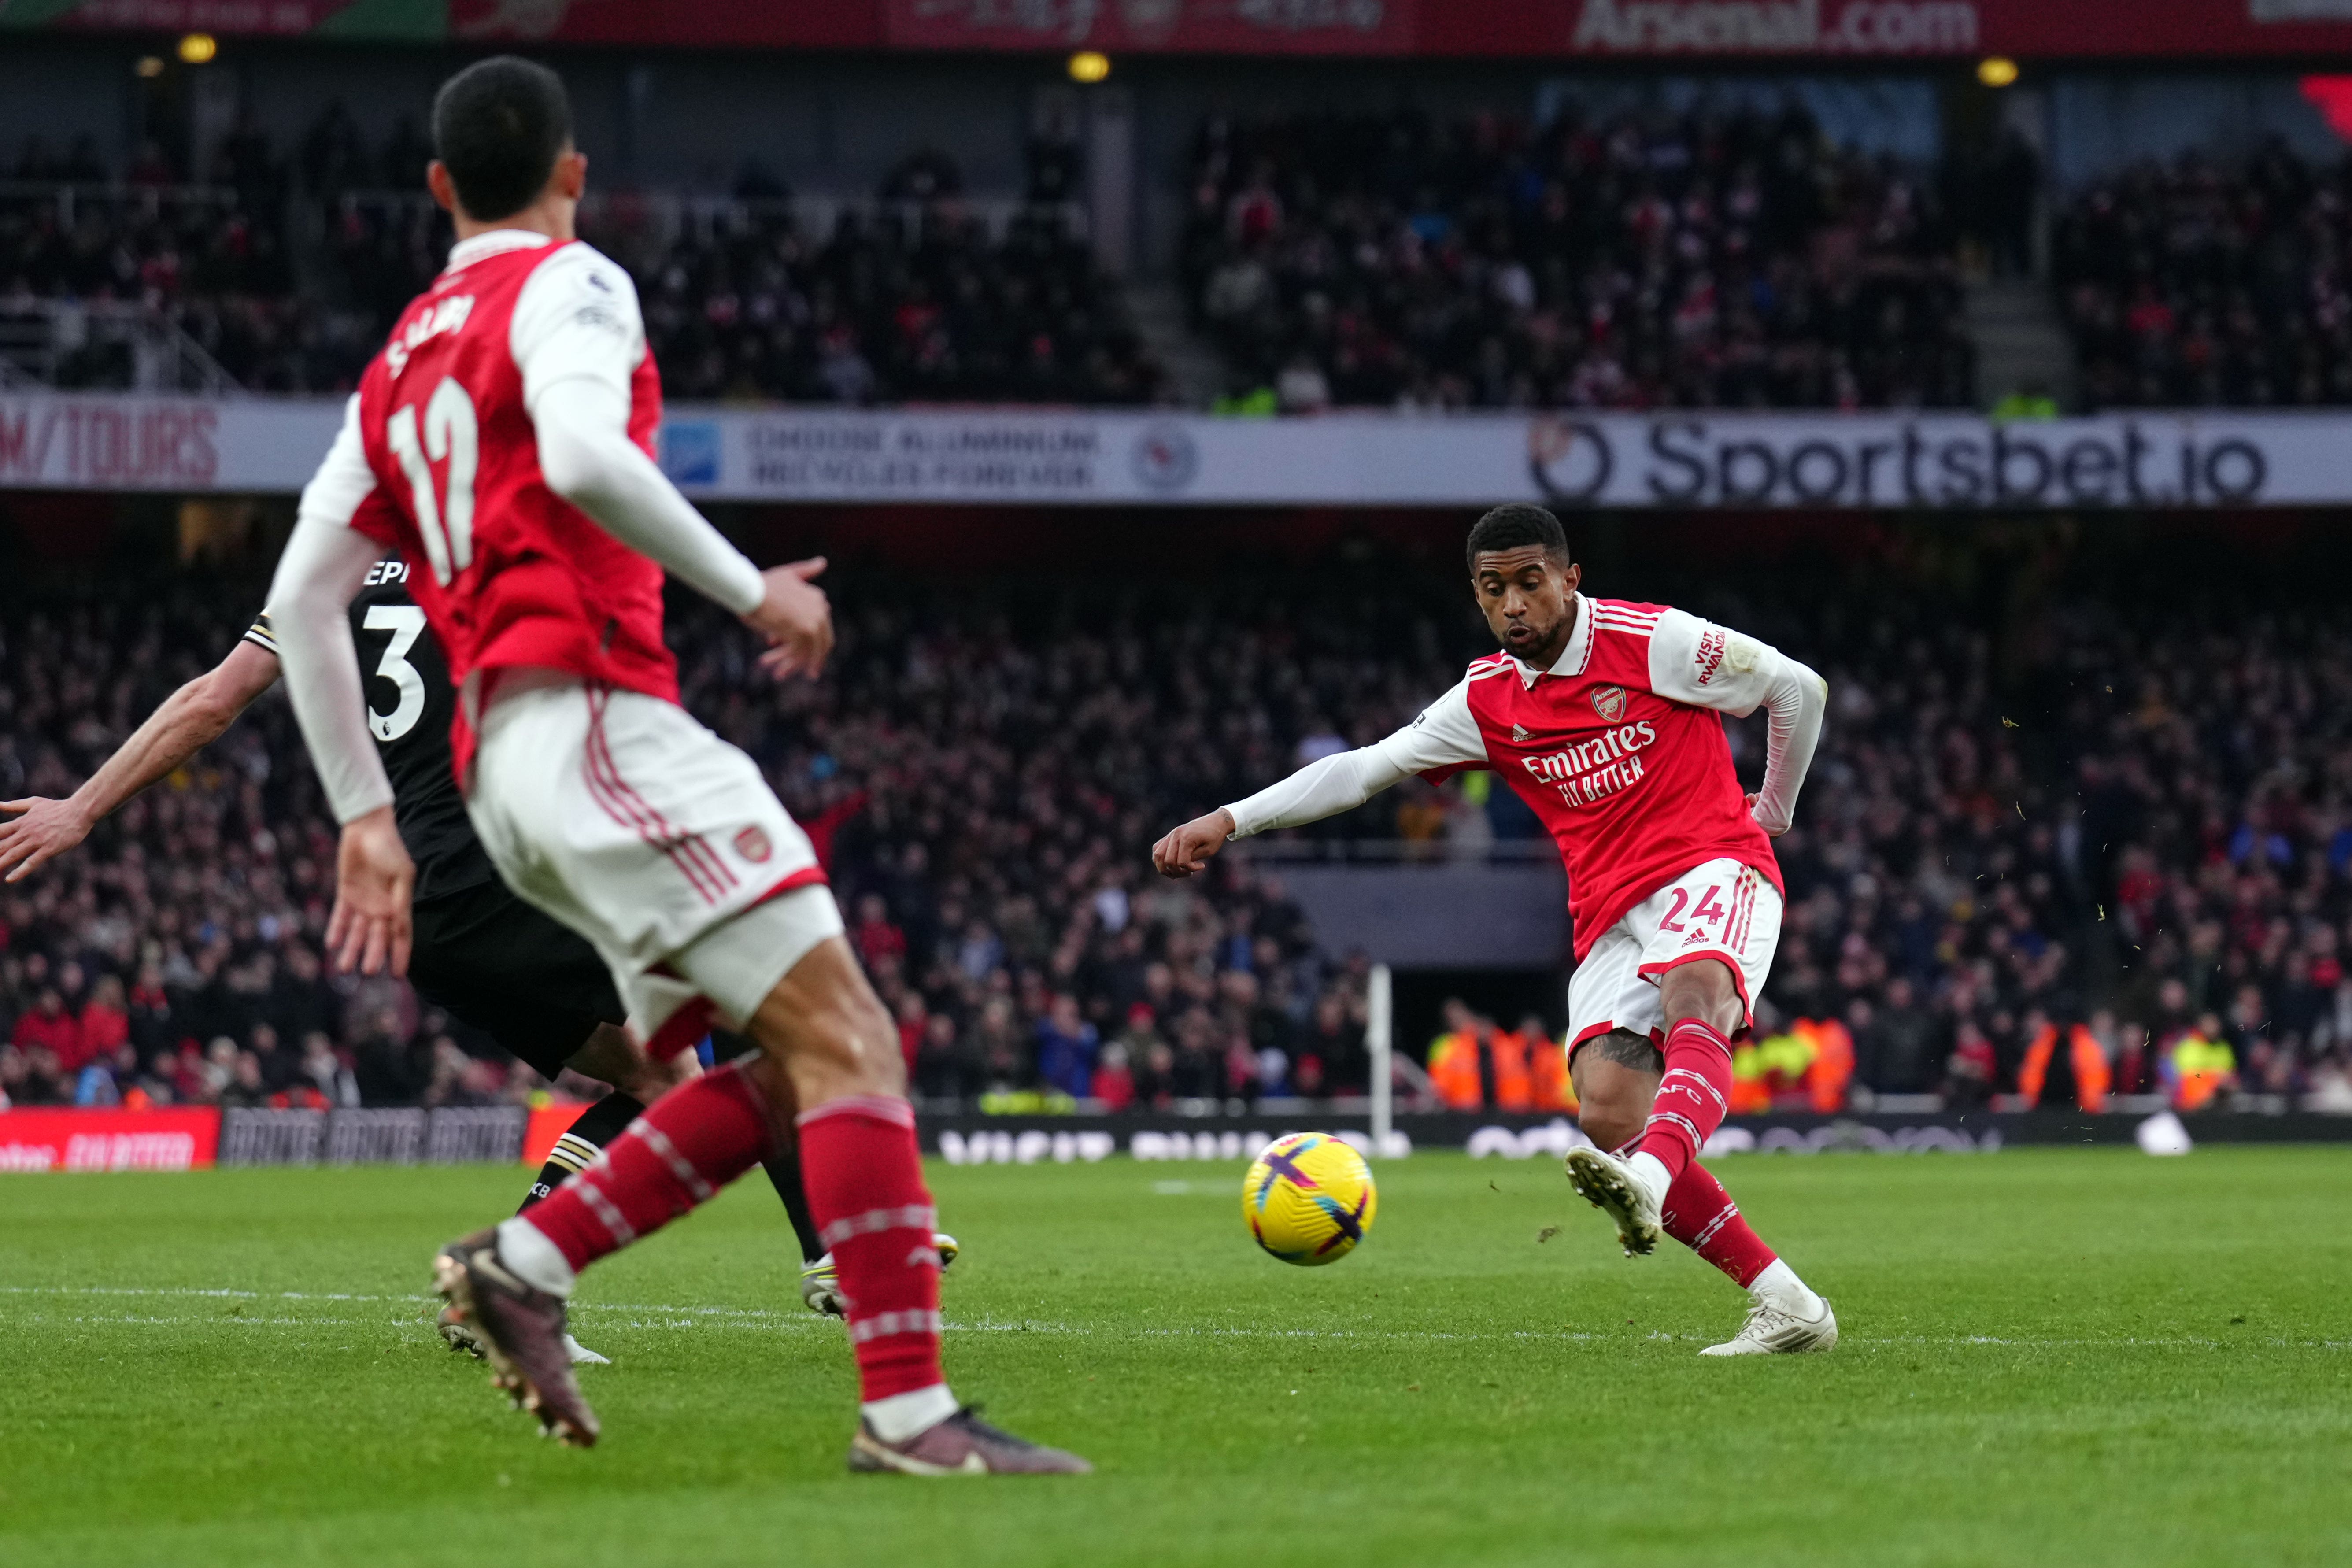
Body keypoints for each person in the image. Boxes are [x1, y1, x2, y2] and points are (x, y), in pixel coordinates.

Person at [263, 57, 1080, 1472]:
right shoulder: (570, 285)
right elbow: (583, 455)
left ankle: (526, 1268)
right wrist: (751, 590)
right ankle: (905, 1415)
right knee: (854, 1041)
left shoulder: (397, 359)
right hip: (595, 721)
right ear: (574, 176)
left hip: (497, 776)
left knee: (778, 1061)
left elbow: (302, 592)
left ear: (441, 188)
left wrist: (358, 817)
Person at [0, 547, 917, 1358]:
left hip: (417, 905)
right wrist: (750, 589)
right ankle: (826, 1249)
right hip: (503, 874)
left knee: (663, 1073)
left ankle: (507, 1286)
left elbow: (212, 699)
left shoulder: (330, 562)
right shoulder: (484, 534)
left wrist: (81, 806)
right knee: (736, 1000)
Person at [1154, 503, 1836, 1356]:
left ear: (1569, 578)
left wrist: (1771, 808)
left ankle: (1651, 1178)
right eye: (1492, 590)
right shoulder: (1487, 701)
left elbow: (1797, 688)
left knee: (1694, 990)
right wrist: (1232, 817)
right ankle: (1789, 1304)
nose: (1513, 604)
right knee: (1609, 1108)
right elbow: (1368, 768)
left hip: (1712, 867)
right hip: (1610, 916)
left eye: (1529, 583)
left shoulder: (1650, 641)